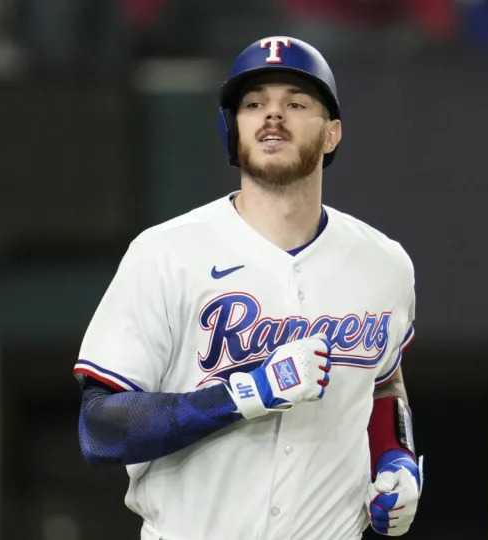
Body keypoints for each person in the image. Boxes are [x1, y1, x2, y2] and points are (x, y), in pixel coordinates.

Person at [74, 36, 423, 539]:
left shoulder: (383, 264)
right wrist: (244, 393)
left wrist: (397, 458)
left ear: (331, 134)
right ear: (232, 131)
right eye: (254, 103)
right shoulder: (165, 253)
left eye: (296, 103)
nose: (272, 115)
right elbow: (100, 428)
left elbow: (385, 381)